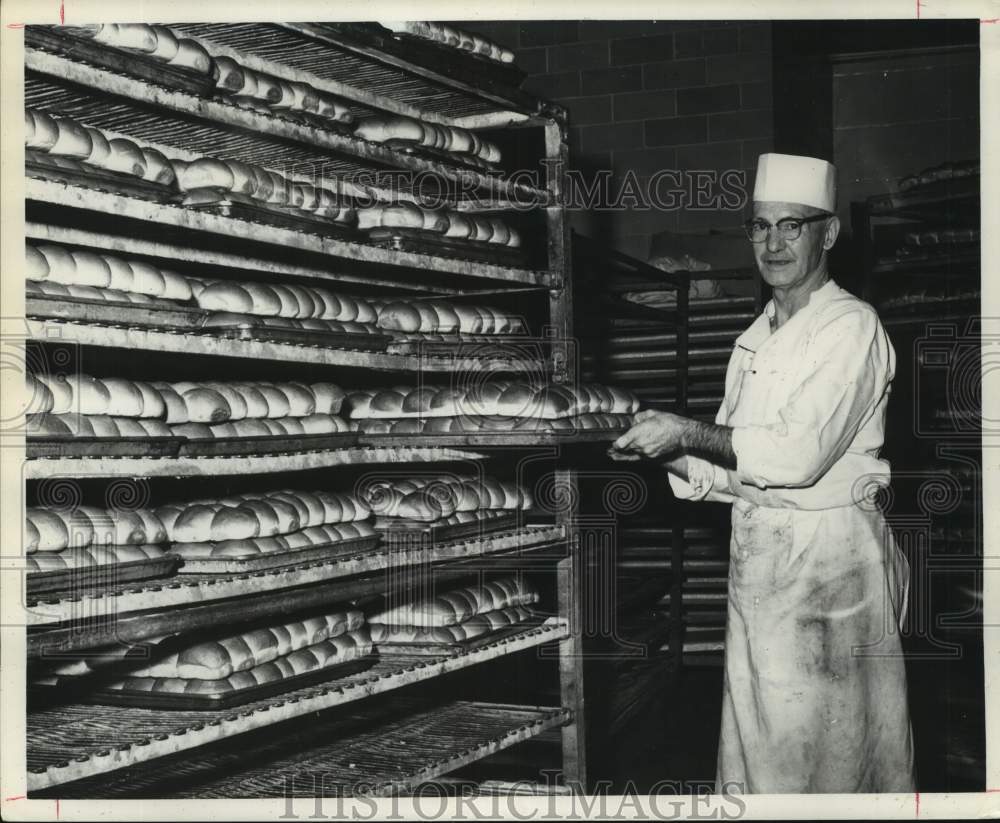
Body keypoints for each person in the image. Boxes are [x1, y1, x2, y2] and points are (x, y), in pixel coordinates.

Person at [611, 153, 915, 794]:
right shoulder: (753, 339)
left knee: (837, 758)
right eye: (760, 226)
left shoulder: (850, 327)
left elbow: (795, 458)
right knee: (761, 754)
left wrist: (687, 430)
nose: (773, 243)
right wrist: (663, 448)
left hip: (831, 570)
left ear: (827, 233)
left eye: (792, 226)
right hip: (760, 570)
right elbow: (734, 470)